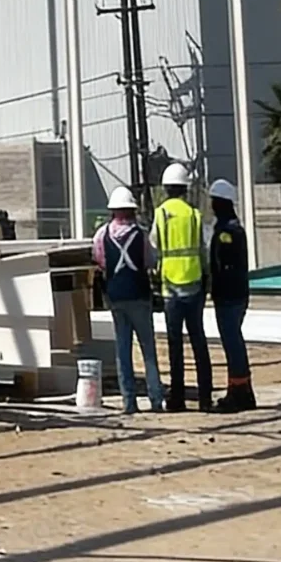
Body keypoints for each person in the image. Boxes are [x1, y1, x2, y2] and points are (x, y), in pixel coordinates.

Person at [94, 182, 164, 414]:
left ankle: (129, 401)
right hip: (140, 296)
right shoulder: (141, 234)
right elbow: (151, 261)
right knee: (148, 350)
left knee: (123, 350)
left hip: (116, 297)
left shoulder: (102, 234)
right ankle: (156, 399)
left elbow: (100, 261)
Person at [153, 162, 212, 413]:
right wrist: (206, 279)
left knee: (175, 345)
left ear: (166, 188)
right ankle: (205, 398)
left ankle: (177, 398)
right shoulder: (194, 215)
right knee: (199, 342)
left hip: (171, 289)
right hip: (194, 286)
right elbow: (202, 250)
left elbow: (154, 247)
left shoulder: (161, 214)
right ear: (185, 189)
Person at [208, 178, 255, 412]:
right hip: (236, 294)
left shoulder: (227, 231)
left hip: (229, 295)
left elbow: (224, 265)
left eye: (214, 201)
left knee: (232, 342)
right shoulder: (233, 228)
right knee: (233, 341)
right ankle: (240, 390)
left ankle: (239, 392)